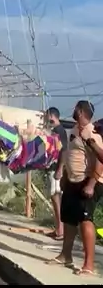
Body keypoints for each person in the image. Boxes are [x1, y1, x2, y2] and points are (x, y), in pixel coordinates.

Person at [51, 99, 103, 276]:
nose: (73, 110)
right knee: (69, 219)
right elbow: (70, 155)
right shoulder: (73, 131)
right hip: (72, 181)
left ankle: (89, 265)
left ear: (80, 111)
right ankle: (66, 255)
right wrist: (65, 176)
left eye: (75, 108)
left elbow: (99, 162)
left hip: (89, 181)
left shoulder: (93, 134)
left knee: (85, 220)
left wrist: (91, 185)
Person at [44, 106, 68, 240]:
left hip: (55, 169)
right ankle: (59, 228)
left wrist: (60, 169)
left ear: (52, 116)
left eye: (46, 117)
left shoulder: (60, 131)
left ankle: (60, 230)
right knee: (54, 198)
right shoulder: (54, 130)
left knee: (56, 197)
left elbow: (64, 151)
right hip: (52, 168)